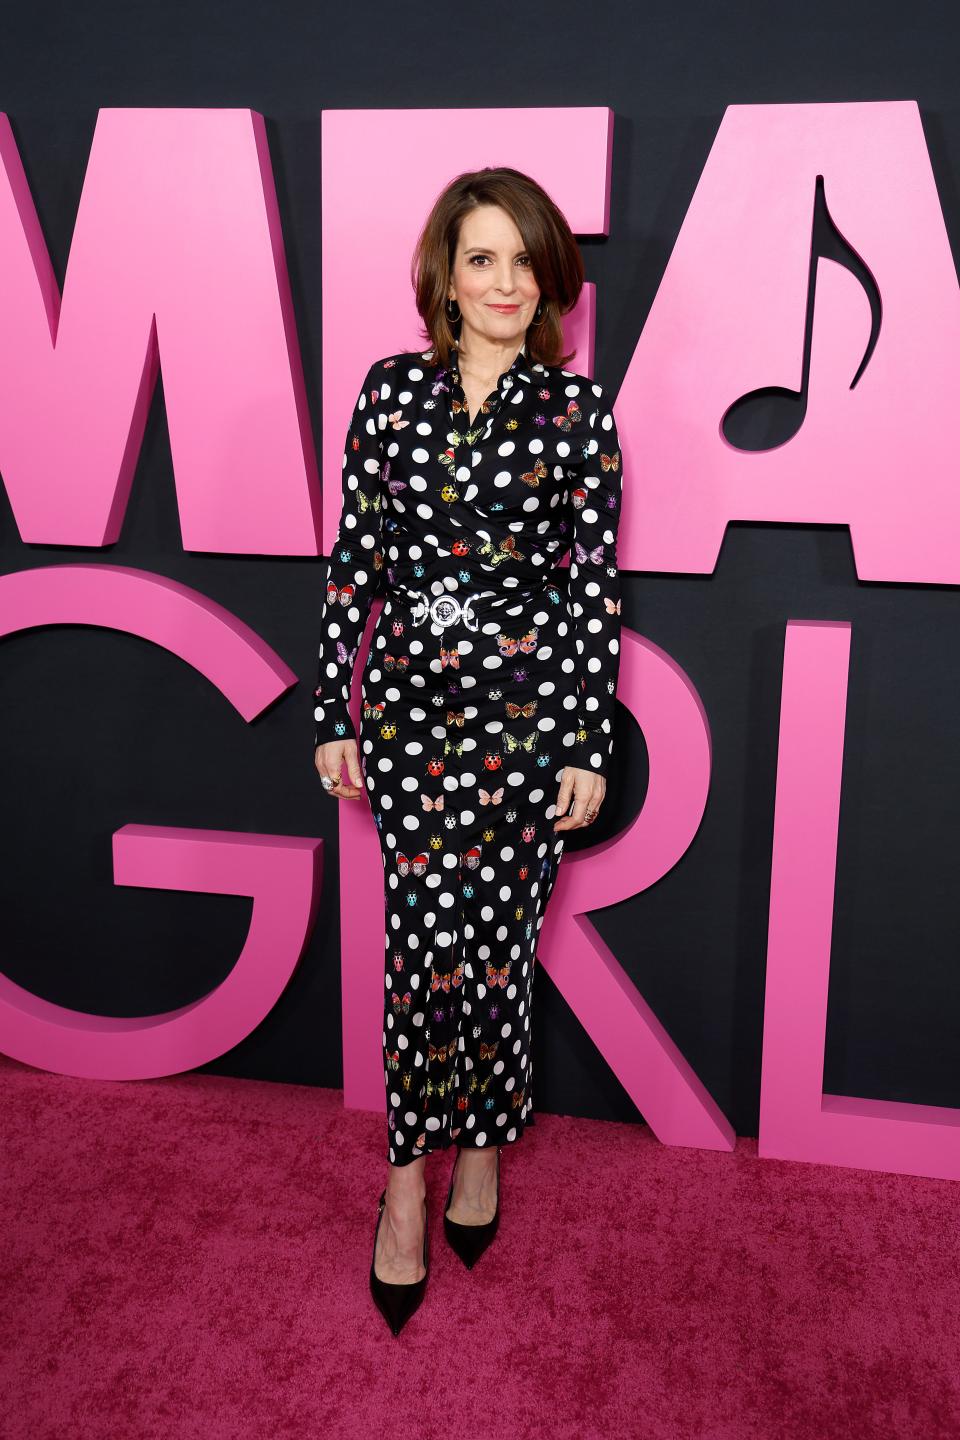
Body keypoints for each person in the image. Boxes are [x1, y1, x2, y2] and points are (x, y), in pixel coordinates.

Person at [312, 166, 623, 1335]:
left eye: (523, 259)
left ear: (549, 279)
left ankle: (482, 1151)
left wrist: (588, 737)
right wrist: (332, 711)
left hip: (529, 729)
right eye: (481, 257)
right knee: (418, 958)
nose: (504, 280)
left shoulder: (577, 414)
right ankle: (406, 1187)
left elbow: (591, 586)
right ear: (445, 274)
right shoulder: (390, 394)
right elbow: (355, 563)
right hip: (409, 726)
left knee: (498, 954)